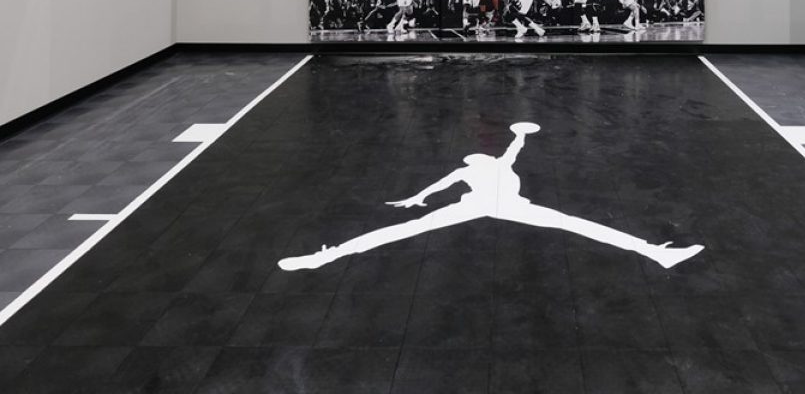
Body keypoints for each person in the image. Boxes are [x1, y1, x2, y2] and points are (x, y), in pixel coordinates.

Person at [278, 123, 702, 271]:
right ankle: (323, 257)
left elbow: (512, 149)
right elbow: (442, 184)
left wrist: (519, 134)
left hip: (508, 206)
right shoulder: (477, 168)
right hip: (481, 206)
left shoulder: (496, 162)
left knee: (577, 224)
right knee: (402, 230)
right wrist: (416, 198)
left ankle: (654, 252)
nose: (471, 153)